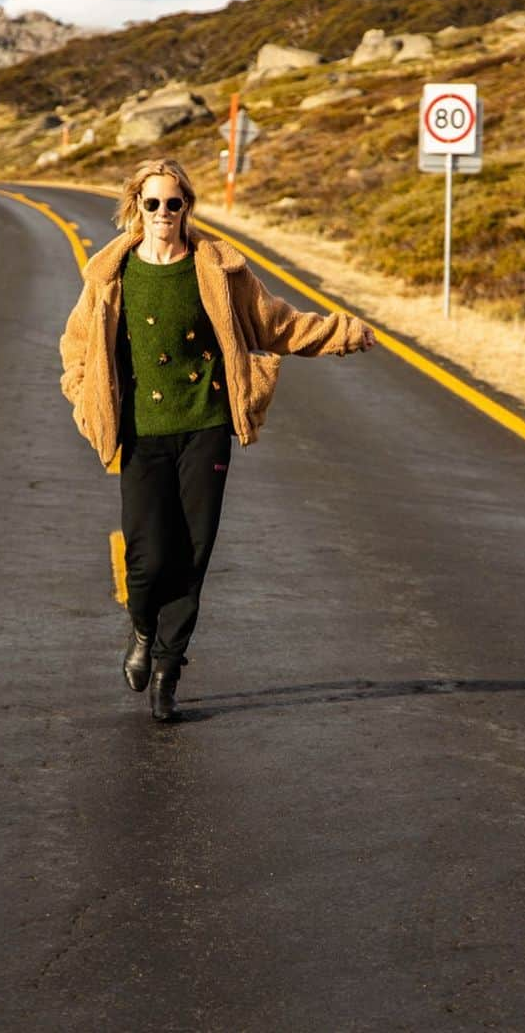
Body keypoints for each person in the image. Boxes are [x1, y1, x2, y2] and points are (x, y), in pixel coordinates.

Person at [60, 158, 375, 720]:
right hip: (143, 433)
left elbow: (277, 323)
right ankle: (141, 628)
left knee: (192, 555)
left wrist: (341, 333)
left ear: (188, 208)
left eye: (173, 203)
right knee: (146, 558)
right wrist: (85, 401)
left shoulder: (217, 269)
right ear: (136, 206)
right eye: (152, 203)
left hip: (204, 426)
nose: (162, 213)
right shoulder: (111, 275)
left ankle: (167, 670)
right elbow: (76, 348)